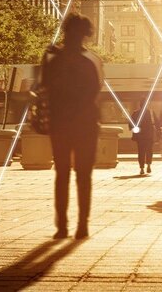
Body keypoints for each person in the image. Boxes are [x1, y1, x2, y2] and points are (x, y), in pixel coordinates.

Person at [42, 12, 103, 240]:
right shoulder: (89, 62)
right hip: (86, 125)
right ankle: (82, 226)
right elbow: (94, 91)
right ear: (85, 36)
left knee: (62, 174)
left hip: (60, 125)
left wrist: (47, 57)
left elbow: (44, 87)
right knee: (84, 176)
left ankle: (62, 227)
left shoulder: (54, 61)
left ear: (66, 32)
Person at [130, 99, 157, 175]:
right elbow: (157, 123)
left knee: (141, 152)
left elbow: (130, 124)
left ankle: (142, 168)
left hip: (140, 137)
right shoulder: (151, 113)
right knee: (149, 151)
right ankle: (148, 165)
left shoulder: (135, 113)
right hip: (149, 136)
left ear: (140, 105)